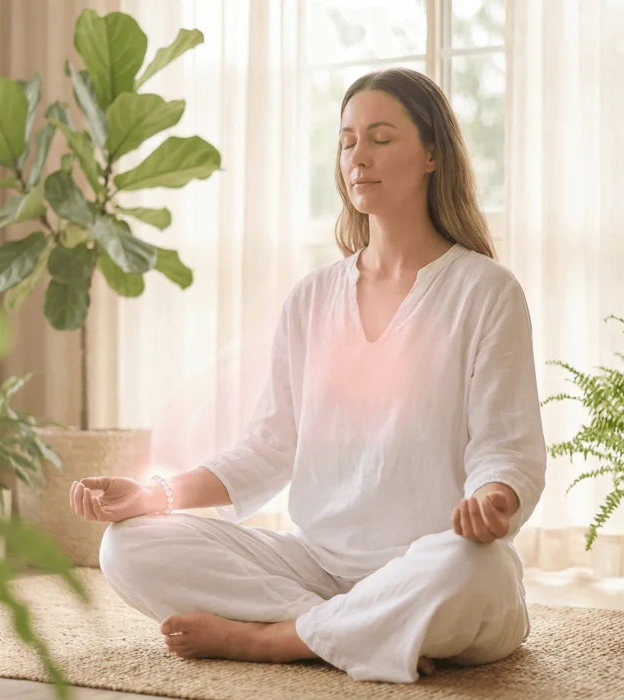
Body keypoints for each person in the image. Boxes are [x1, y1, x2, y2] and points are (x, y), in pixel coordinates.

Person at [68, 67, 547, 684]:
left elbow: (507, 448)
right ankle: (348, 629)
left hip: (431, 563)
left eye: (380, 138)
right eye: (347, 141)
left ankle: (273, 640)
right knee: (128, 545)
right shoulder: (313, 297)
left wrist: (495, 497)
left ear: (432, 154)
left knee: (474, 573)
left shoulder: (486, 290)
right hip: (316, 565)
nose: (358, 158)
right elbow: (269, 448)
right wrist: (154, 496)